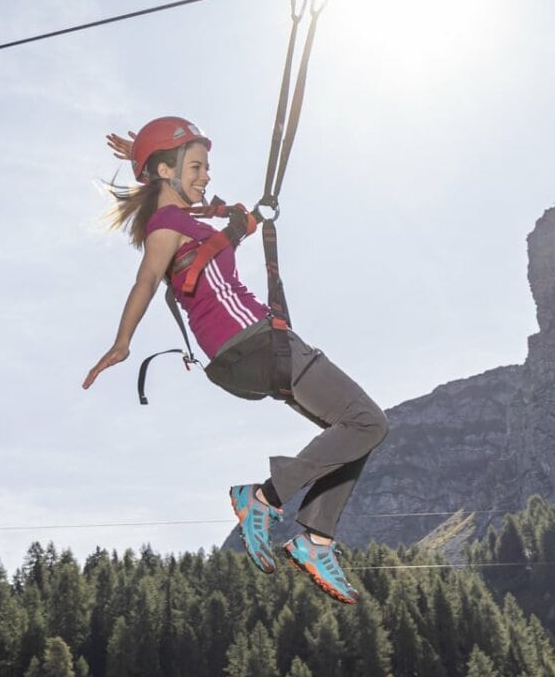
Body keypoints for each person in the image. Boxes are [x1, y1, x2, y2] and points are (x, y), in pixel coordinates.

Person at [82, 116, 387, 604]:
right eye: (196, 166)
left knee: (353, 430)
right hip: (258, 343)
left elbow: (215, 237)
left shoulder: (189, 222)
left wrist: (145, 154)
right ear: (166, 172)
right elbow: (144, 280)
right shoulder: (166, 225)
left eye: (206, 167)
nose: (206, 177)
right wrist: (122, 344)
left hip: (243, 358)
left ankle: (315, 539)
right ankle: (263, 500)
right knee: (368, 421)